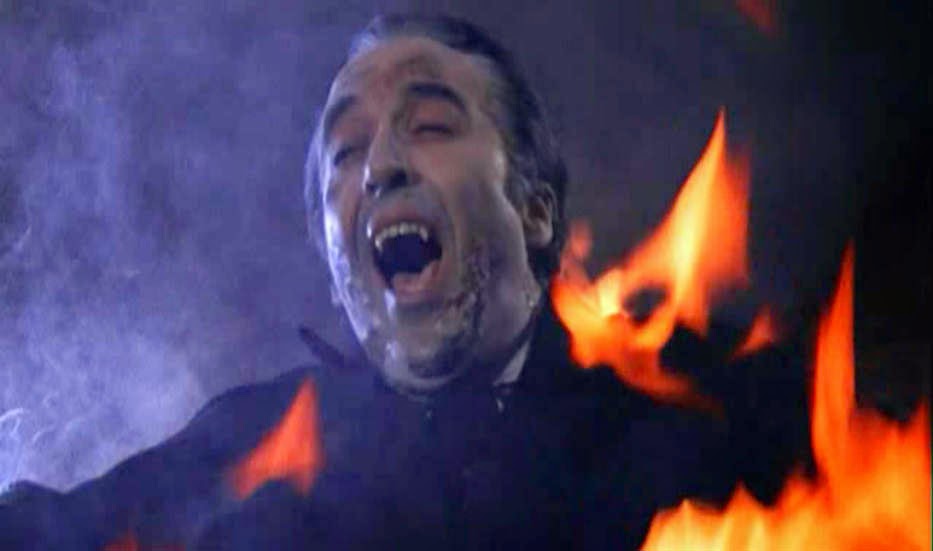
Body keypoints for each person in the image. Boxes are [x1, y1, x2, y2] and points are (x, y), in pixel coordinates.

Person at [0, 14, 807, 550]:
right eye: (346, 151)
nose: (380, 164)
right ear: (334, 266)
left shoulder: (714, 404)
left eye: (429, 126)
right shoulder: (255, 442)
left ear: (534, 210)